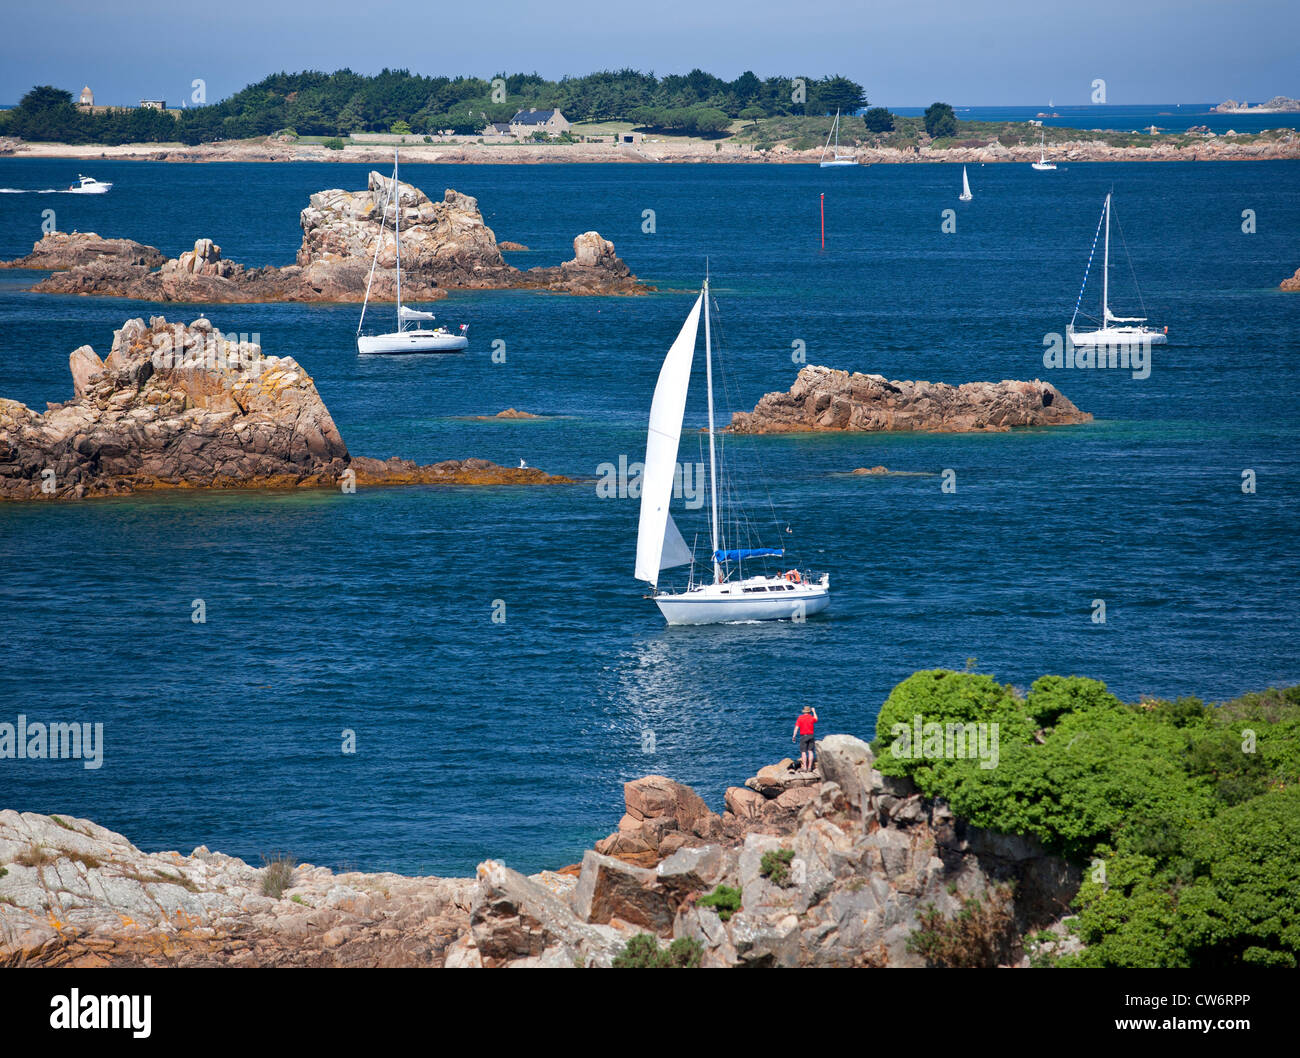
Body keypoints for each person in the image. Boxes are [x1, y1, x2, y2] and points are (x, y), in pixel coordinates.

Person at [792, 706, 818, 772]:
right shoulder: (811, 717)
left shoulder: (800, 718)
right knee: (810, 751)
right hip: (811, 736)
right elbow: (816, 719)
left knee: (803, 752)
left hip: (803, 736)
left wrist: (794, 736)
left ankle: (805, 767)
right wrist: (814, 711)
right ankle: (810, 767)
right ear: (809, 711)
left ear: (804, 711)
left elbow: (796, 728)